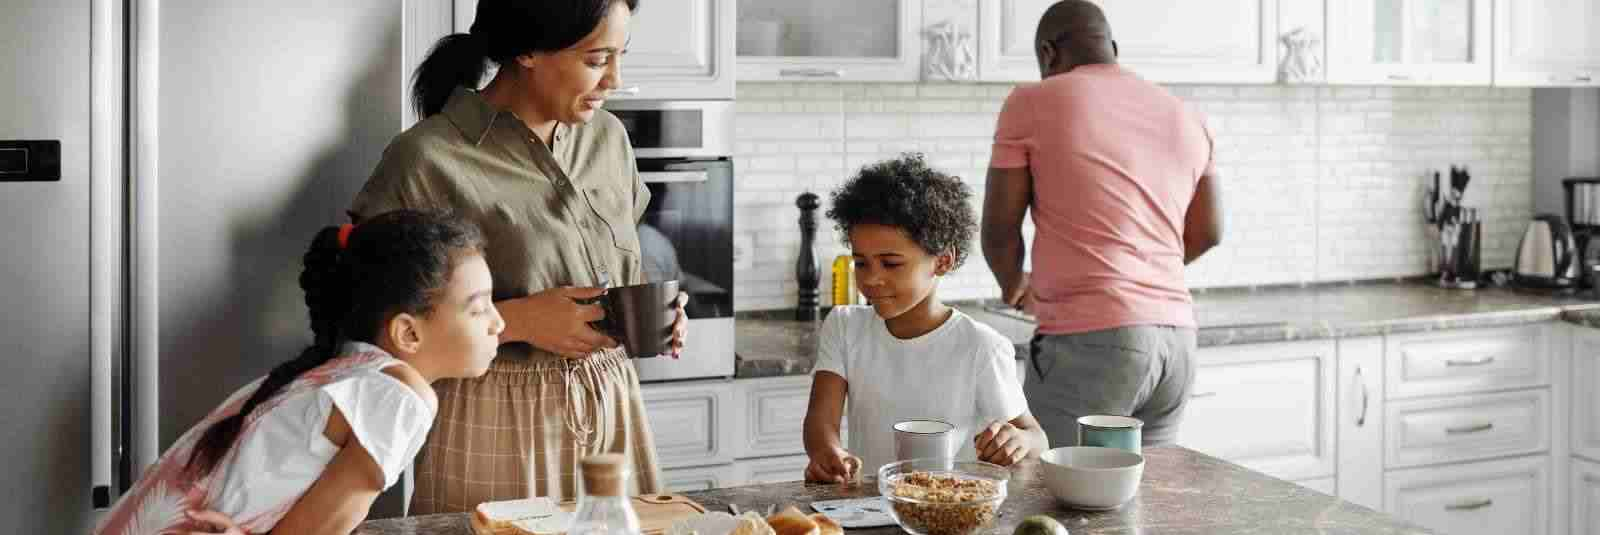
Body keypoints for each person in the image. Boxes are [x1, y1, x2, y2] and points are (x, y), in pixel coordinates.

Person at [350, 0, 687, 513]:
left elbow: (622, 264)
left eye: (620, 57)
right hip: (492, 414)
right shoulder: (427, 158)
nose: (614, 80)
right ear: (528, 51)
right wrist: (515, 322)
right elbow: (370, 325)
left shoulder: (609, 139)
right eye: (597, 60)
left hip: (614, 403)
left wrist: (657, 313)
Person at [94, 211, 503, 535]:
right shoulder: (397, 397)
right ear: (408, 333)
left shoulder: (340, 371)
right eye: (479, 307)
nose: (498, 323)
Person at [981, 0, 1225, 448]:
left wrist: (1015, 285)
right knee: (1144, 497)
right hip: (1177, 344)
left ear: (1048, 53)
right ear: (1111, 46)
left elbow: (999, 229)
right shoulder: (1187, 114)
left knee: (1048, 495)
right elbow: (1209, 232)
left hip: (1091, 342)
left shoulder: (1032, 101)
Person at [802, 153, 1049, 482]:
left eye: (890, 264)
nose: (871, 279)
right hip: (868, 506)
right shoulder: (845, 326)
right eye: (861, 262)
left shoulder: (981, 346)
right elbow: (821, 421)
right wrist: (827, 451)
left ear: (942, 261)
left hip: (948, 509)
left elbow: (1036, 437)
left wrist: (1018, 441)